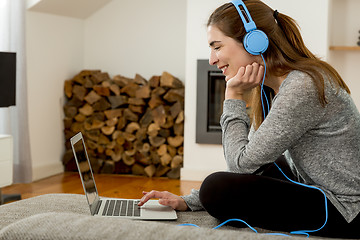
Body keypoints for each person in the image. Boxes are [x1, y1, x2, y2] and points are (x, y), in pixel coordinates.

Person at [138, 0, 360, 238]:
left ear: (255, 42)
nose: (212, 59)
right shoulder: (274, 87)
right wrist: (188, 200)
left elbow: (241, 165)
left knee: (216, 188)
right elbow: (250, 161)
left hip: (346, 210)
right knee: (237, 177)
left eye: (217, 46)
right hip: (318, 189)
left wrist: (233, 96)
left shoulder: (302, 86)